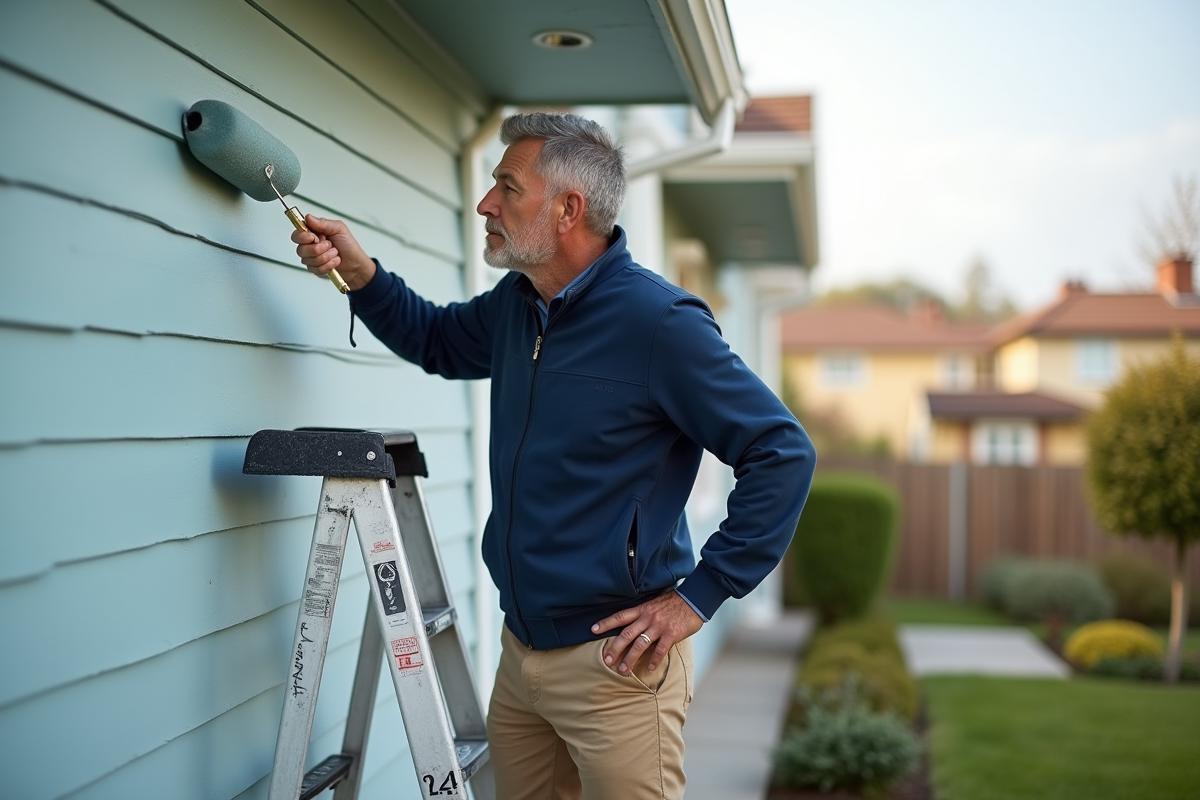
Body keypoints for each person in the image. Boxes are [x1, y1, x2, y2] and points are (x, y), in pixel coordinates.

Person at [293, 112, 816, 800]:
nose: (486, 204)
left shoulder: (660, 323)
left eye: (507, 187)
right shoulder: (518, 303)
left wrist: (700, 594)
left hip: (618, 668)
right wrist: (362, 275)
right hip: (520, 657)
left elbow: (782, 451)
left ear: (568, 209)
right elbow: (437, 340)